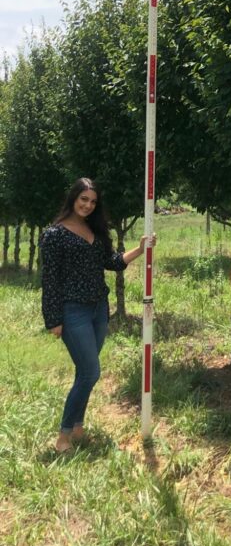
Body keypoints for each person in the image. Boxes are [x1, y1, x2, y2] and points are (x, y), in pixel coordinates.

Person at [41, 177, 156, 454]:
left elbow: (112, 262)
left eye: (93, 201)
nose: (88, 205)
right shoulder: (54, 234)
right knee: (91, 372)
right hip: (73, 311)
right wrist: (53, 319)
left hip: (98, 310)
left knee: (85, 373)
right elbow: (50, 279)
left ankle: (79, 427)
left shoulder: (95, 229)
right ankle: (64, 437)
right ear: (73, 198)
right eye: (83, 199)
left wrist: (140, 250)